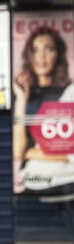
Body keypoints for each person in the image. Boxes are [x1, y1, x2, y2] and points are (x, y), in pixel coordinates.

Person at [13, 27, 73, 194]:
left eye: (49, 49)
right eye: (35, 50)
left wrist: (32, 153)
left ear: (58, 54)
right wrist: (21, 100)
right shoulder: (23, 96)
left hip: (65, 177)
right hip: (35, 179)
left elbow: (70, 152)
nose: (41, 57)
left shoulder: (68, 93)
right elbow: (18, 152)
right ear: (29, 55)